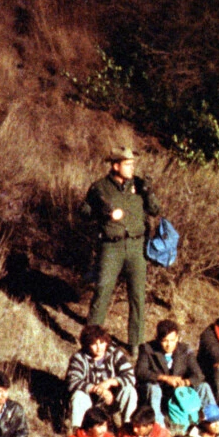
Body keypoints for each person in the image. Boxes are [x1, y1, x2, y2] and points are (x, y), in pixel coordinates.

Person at [81, 145, 161, 353]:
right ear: (115, 166)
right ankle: (91, 338)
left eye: (133, 163)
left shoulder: (140, 185)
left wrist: (149, 192)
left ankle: (135, 343)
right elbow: (84, 212)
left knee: (137, 296)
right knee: (103, 291)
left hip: (136, 246)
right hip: (111, 246)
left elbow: (154, 210)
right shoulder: (99, 187)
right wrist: (105, 212)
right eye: (127, 164)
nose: (132, 167)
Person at [136, 319, 216, 426]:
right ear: (158, 339)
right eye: (165, 341)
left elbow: (198, 375)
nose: (169, 345)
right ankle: (159, 427)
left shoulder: (185, 350)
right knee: (153, 388)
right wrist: (164, 378)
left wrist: (185, 382)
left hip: (179, 392)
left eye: (172, 340)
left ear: (177, 338)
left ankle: (215, 421)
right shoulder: (147, 349)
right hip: (159, 391)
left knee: (204, 387)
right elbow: (140, 371)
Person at [65, 324, 137, 430]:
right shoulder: (79, 357)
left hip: (112, 399)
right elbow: (72, 381)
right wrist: (98, 390)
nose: (99, 348)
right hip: (90, 400)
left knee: (130, 391)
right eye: (94, 344)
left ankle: (128, 429)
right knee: (78, 396)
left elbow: (130, 376)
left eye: (102, 343)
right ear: (87, 344)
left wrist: (111, 382)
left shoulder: (115, 353)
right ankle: (79, 433)